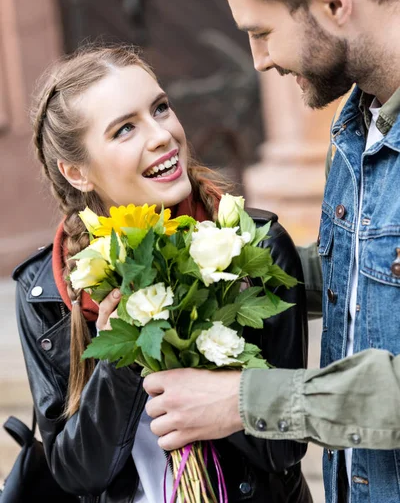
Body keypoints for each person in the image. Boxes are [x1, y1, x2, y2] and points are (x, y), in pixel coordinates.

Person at [143, 0, 400, 502]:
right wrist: (190, 274)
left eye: (261, 32)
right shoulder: (359, 122)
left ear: (333, 3)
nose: (258, 60)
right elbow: (364, 272)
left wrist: (241, 400)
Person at [13, 45, 312, 502]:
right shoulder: (46, 288)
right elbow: (75, 474)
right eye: (125, 129)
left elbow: (285, 447)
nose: (162, 135)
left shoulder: (255, 244)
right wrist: (120, 360)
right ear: (77, 173)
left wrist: (214, 384)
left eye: (161, 108)